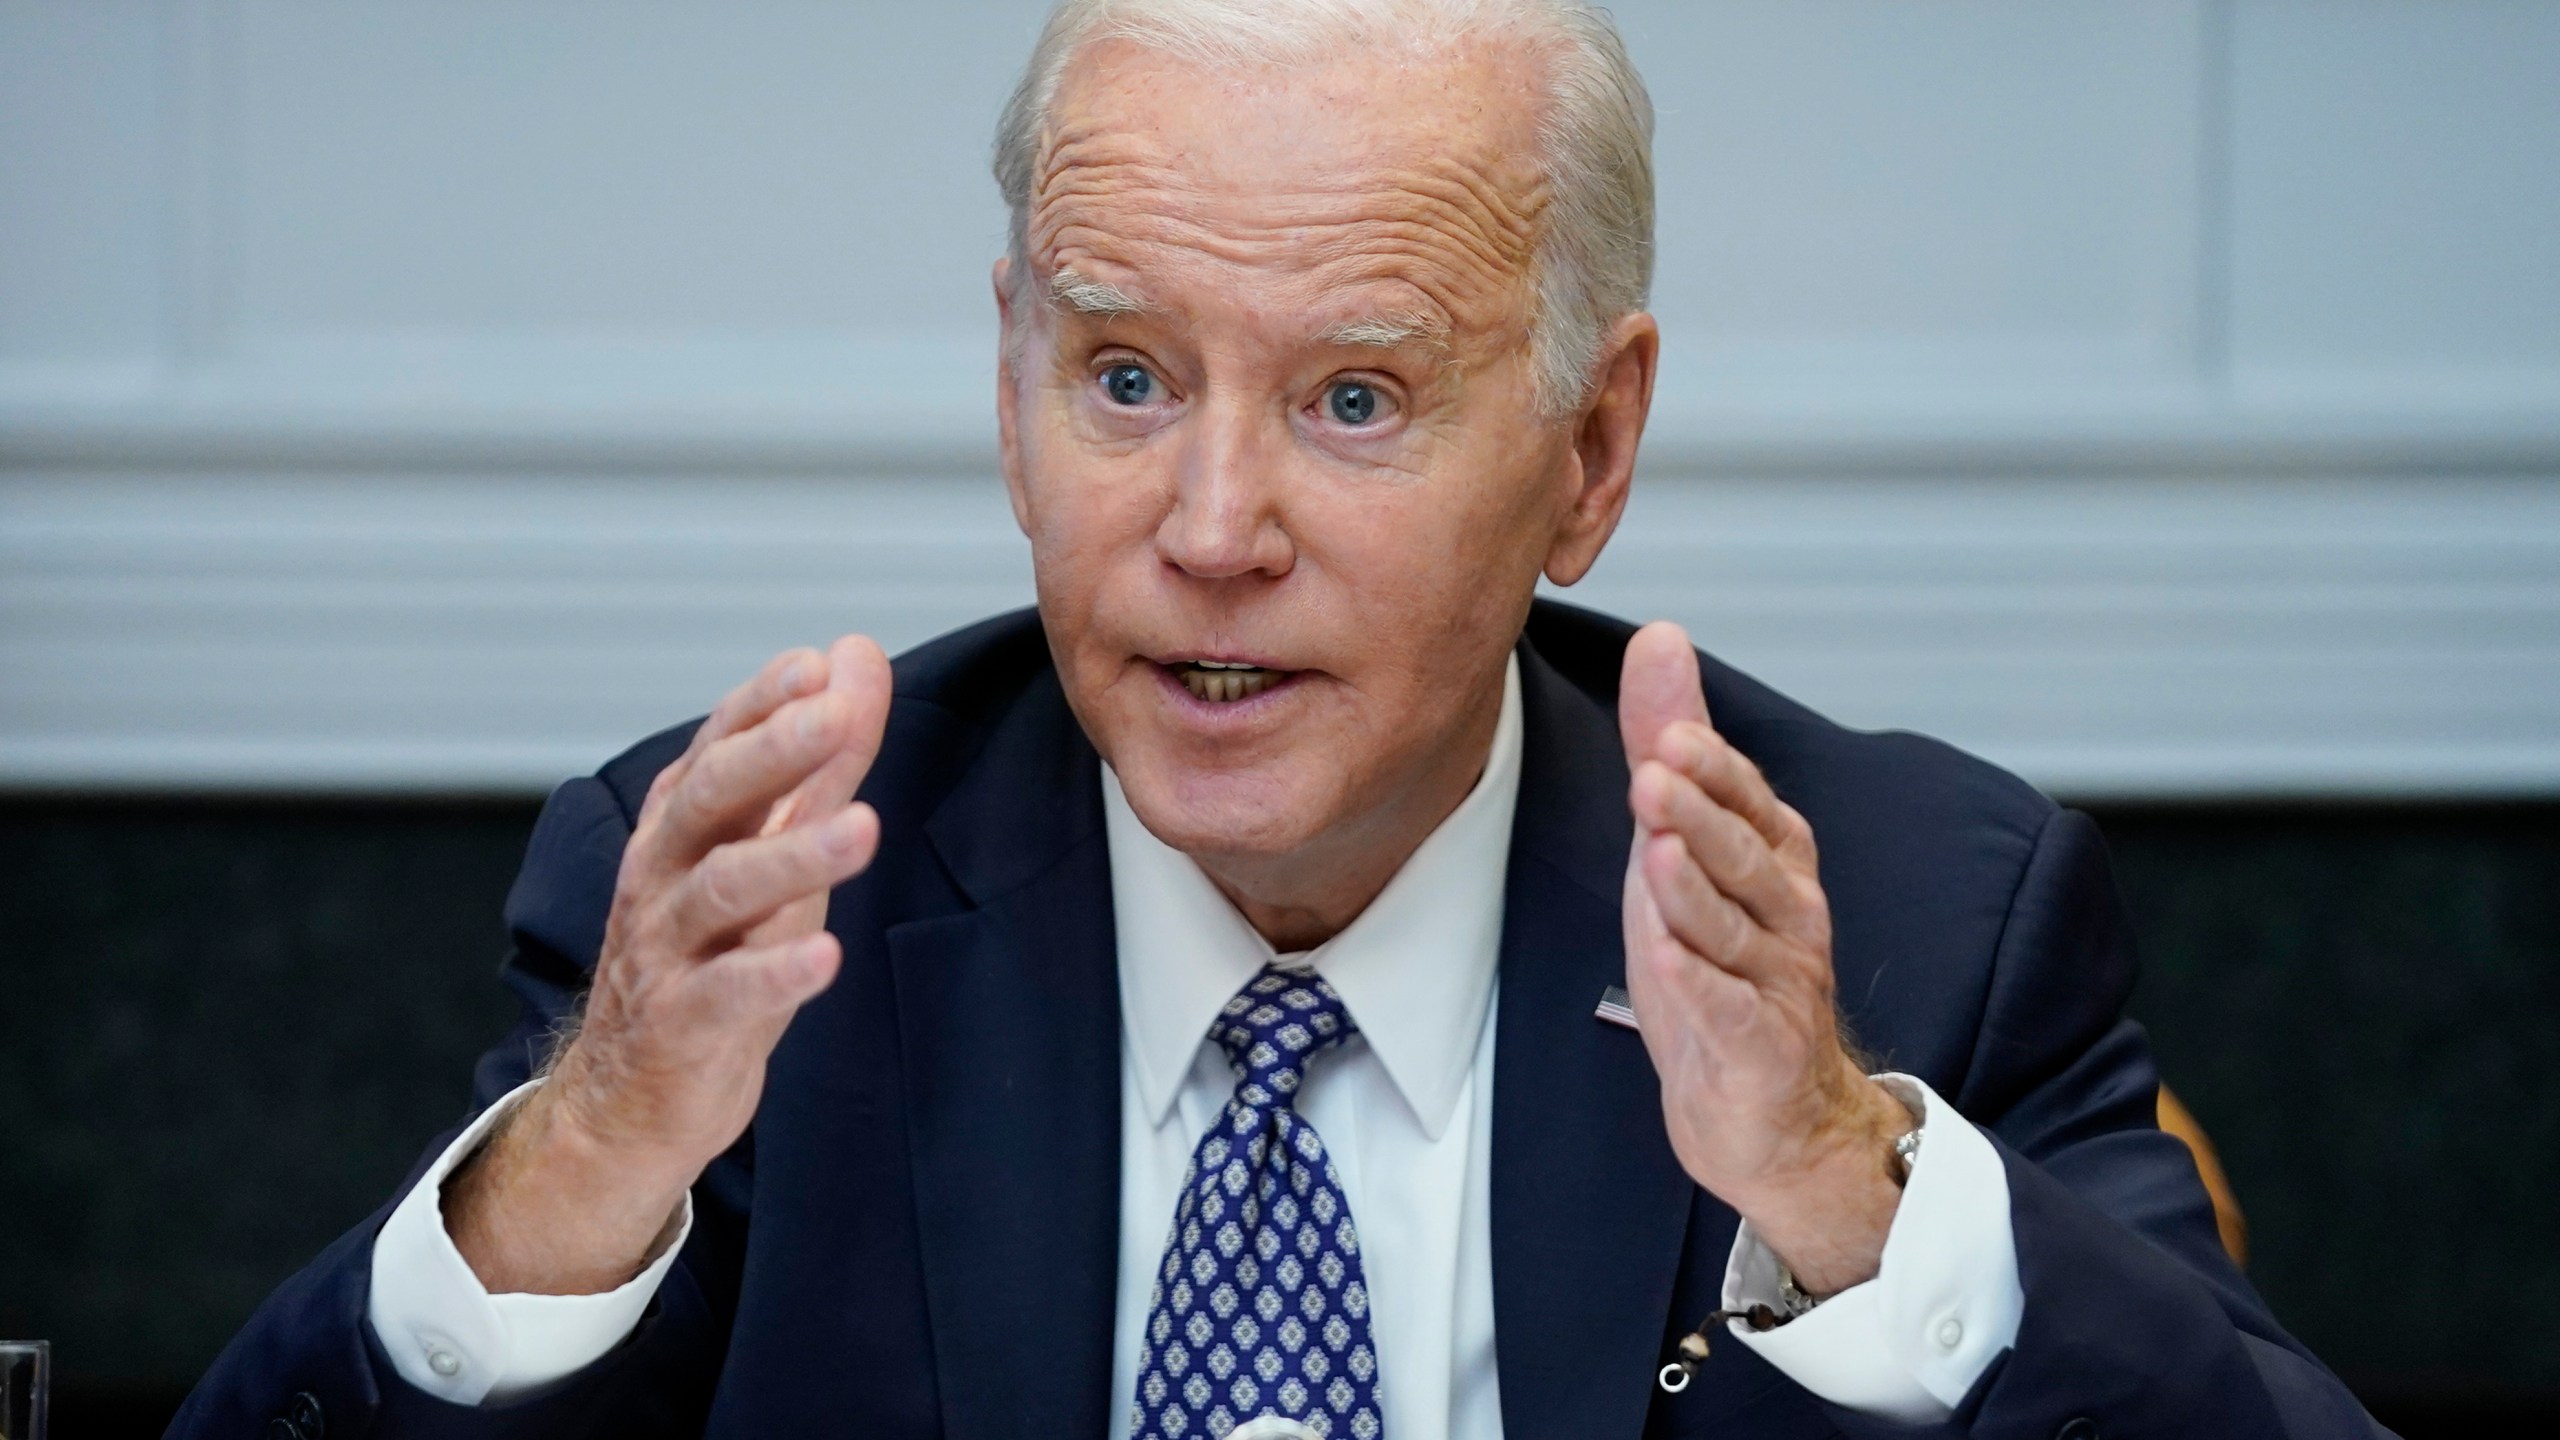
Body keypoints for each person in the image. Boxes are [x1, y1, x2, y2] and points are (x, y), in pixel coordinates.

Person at [173, 2, 2388, 1436]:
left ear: (1587, 456)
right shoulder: (758, 918)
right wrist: (578, 1178)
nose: (1207, 529)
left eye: (1351, 398)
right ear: (1009, 390)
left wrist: (1838, 1180)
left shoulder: (1910, 909)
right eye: (1123, 380)